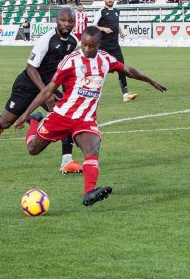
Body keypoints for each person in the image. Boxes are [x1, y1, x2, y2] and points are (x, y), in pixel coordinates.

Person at [12, 26, 167, 206]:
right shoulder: (70, 62)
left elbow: (129, 71)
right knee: (33, 149)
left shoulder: (106, 60)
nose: (86, 49)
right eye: (84, 45)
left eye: (91, 46)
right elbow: (48, 91)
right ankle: (34, 121)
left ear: (98, 45)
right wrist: (26, 115)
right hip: (61, 116)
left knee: (92, 149)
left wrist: (150, 80)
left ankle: (88, 193)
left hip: (85, 120)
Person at [0, 8, 81, 176]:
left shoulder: (73, 42)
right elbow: (31, 69)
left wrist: (65, 92)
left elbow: (66, 70)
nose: (66, 24)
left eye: (70, 21)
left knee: (65, 115)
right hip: (27, 84)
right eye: (63, 20)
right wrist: (47, 93)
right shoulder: (47, 39)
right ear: (56, 20)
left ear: (74, 22)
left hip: (46, 88)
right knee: (5, 122)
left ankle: (67, 161)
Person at [94, 0, 137, 103]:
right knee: (99, 71)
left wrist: (121, 32)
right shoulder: (101, 12)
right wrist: (103, 29)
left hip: (115, 46)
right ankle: (91, 94)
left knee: (122, 69)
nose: (110, 0)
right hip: (103, 47)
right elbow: (93, 26)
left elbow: (116, 23)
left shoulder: (117, 11)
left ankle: (126, 95)